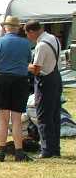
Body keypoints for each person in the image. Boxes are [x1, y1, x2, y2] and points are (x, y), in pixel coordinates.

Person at [0, 15, 34, 162]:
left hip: (2, 80)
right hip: (20, 81)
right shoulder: (26, 44)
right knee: (17, 119)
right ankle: (19, 152)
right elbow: (27, 62)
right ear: (18, 28)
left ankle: (1, 152)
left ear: (5, 27)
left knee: (3, 119)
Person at [25, 20, 63, 158]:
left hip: (45, 81)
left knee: (43, 117)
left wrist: (24, 64)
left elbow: (36, 69)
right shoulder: (53, 38)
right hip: (56, 77)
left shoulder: (41, 45)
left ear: (32, 32)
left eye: (27, 34)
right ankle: (55, 149)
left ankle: (47, 150)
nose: (28, 37)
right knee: (54, 116)